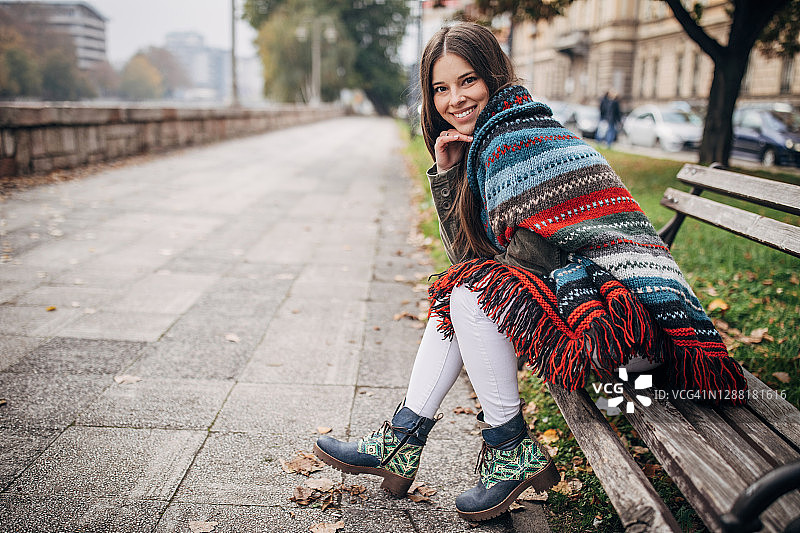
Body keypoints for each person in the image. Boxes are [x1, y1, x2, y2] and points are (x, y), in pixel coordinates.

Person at [314, 22, 746, 522]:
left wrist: (475, 269)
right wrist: (449, 175)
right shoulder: (496, 138)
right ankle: (412, 440)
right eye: (440, 88)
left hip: (635, 345)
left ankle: (495, 449)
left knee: (471, 295)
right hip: (600, 320)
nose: (455, 99)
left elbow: (489, 272)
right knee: (467, 292)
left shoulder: (517, 142)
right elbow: (472, 264)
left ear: (494, 76)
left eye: (468, 80)